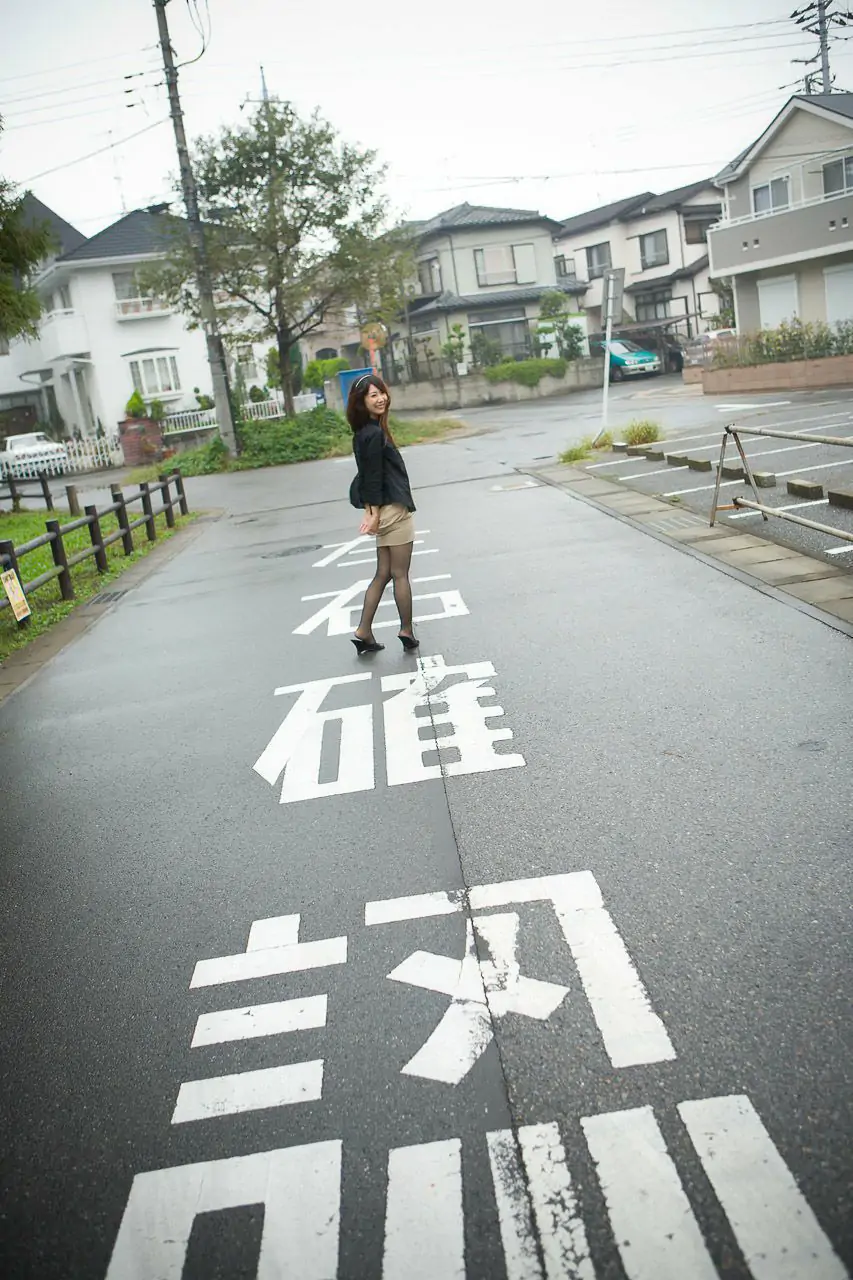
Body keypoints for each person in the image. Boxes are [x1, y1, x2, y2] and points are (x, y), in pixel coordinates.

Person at [346, 373, 419, 655]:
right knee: (400, 574)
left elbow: (364, 476)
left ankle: (364, 631)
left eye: (382, 393)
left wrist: (370, 510)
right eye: (373, 395)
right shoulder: (375, 434)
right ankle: (406, 630)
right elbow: (373, 477)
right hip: (394, 509)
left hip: (381, 508)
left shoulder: (362, 433)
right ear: (362, 402)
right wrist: (374, 514)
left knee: (384, 573)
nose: (381, 399)